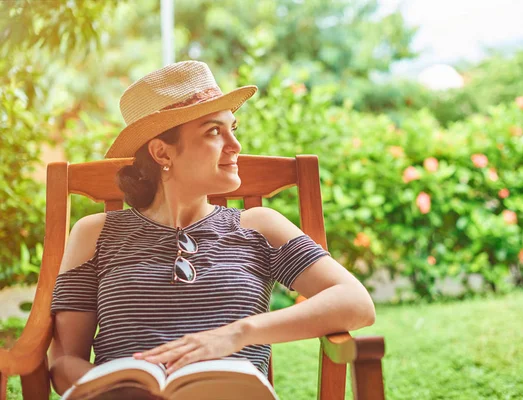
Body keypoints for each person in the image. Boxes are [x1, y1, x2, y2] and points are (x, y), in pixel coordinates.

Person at [48, 60, 376, 396]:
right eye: (214, 131)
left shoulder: (259, 226)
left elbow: (356, 303)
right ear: (162, 152)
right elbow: (64, 359)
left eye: (233, 128)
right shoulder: (95, 233)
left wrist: (239, 333)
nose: (235, 145)